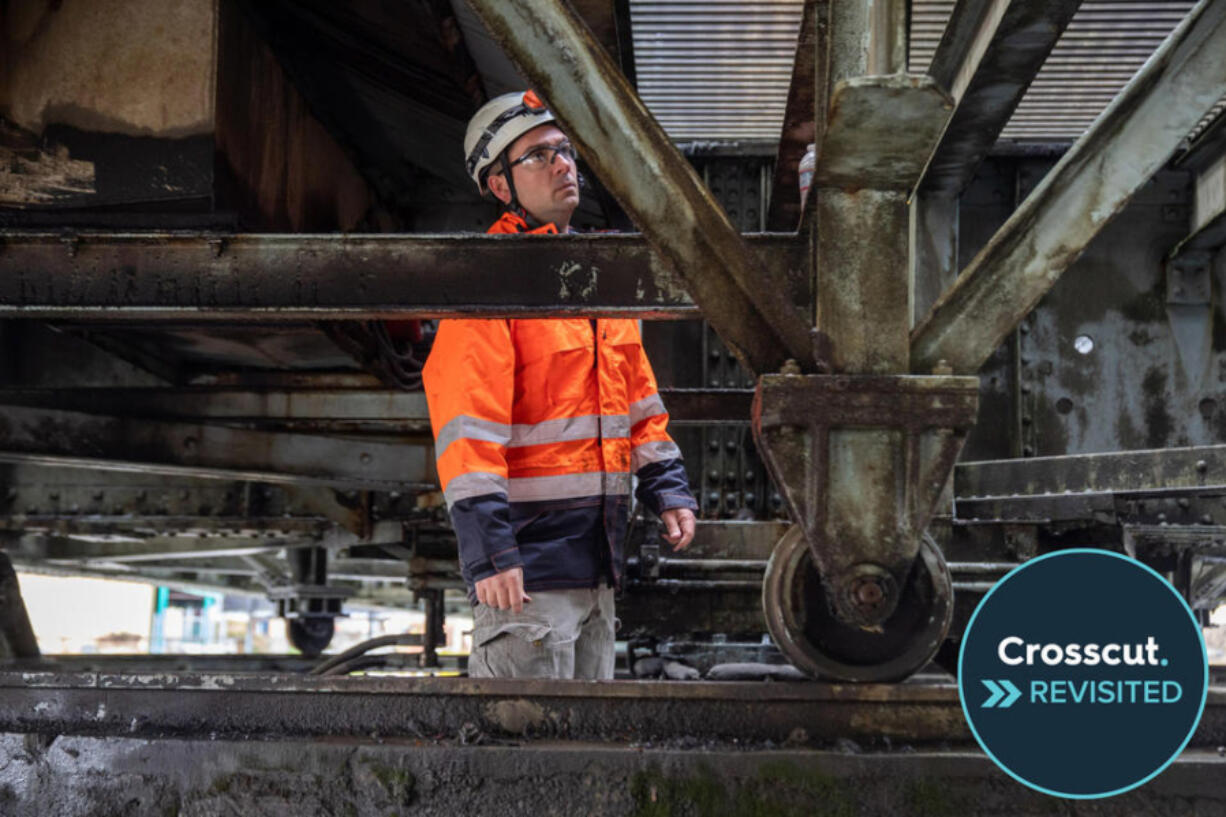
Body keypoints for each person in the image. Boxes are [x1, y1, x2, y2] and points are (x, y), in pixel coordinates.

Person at [422, 90, 698, 680]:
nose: (563, 164)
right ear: (501, 187)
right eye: (540, 155)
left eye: (566, 151)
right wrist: (490, 555)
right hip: (525, 574)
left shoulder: (599, 280)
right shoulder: (487, 286)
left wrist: (666, 487)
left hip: (597, 567)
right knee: (524, 752)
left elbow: (639, 404)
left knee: (585, 754)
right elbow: (467, 435)